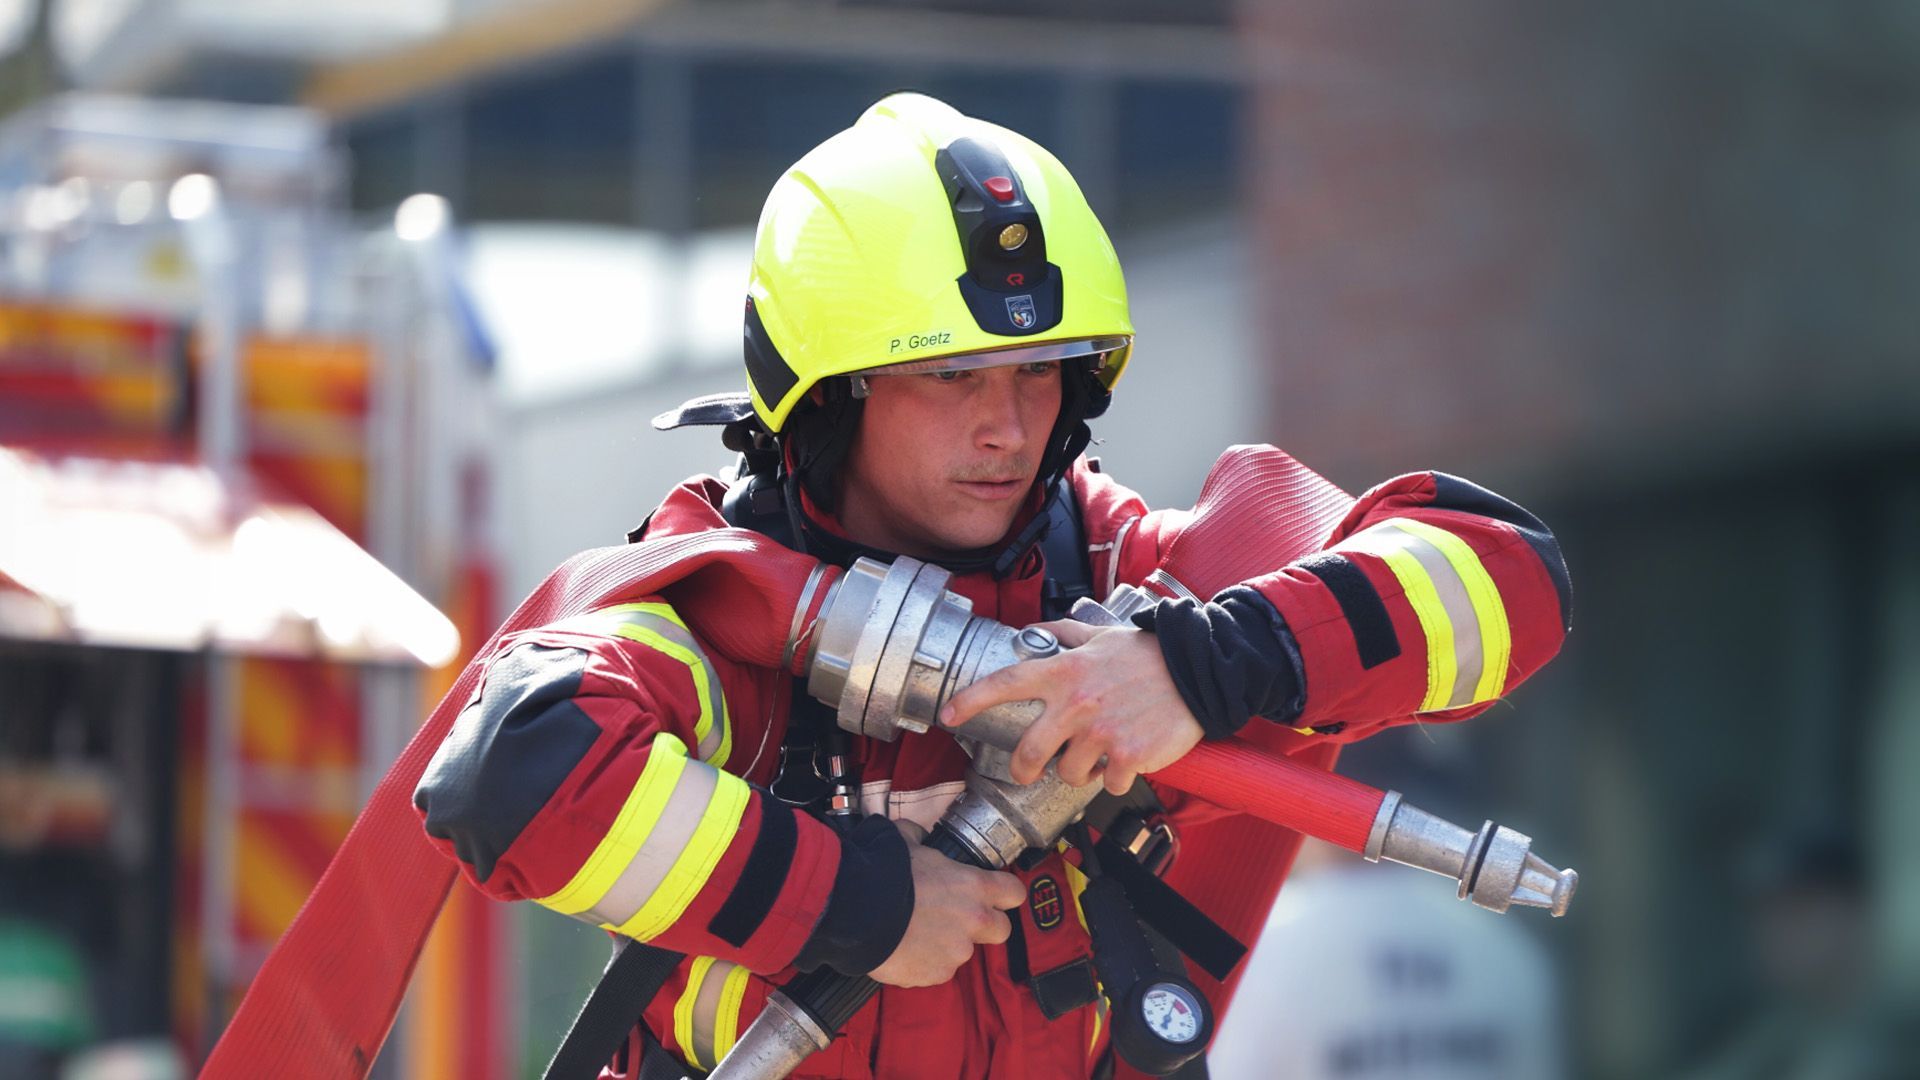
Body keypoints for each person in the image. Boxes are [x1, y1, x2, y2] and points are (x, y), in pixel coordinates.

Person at [411, 93, 1573, 1079]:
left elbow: (1509, 578)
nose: (1008, 425)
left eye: (1040, 372)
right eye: (953, 372)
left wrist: (1198, 664)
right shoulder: (719, 625)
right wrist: (854, 896)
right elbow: (507, 772)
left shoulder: (1128, 575)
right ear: (829, 396)